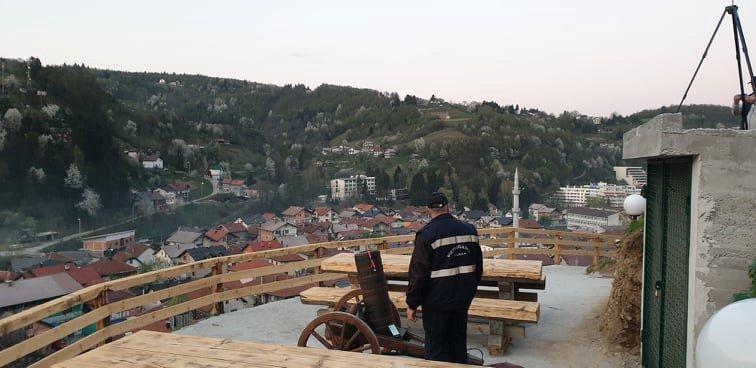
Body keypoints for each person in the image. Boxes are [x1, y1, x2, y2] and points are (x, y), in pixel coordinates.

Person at [406, 192, 483, 364]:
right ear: (448, 207)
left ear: (428, 210)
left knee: (436, 351)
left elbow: (419, 275)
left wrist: (412, 303)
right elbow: (478, 269)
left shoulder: (426, 235)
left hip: (436, 305)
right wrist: (468, 292)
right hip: (461, 301)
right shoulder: (470, 230)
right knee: (458, 347)